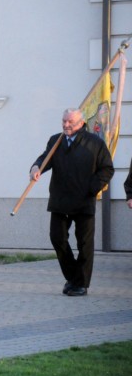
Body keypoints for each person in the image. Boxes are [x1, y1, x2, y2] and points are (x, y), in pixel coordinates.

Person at [30, 108, 114, 297]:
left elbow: (107, 169)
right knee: (57, 238)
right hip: (60, 200)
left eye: (71, 122)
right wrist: (36, 168)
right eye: (64, 121)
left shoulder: (95, 143)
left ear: (81, 123)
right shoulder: (55, 140)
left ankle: (81, 284)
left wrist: (92, 188)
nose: (66, 125)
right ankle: (73, 277)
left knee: (84, 243)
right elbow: (45, 158)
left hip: (84, 201)